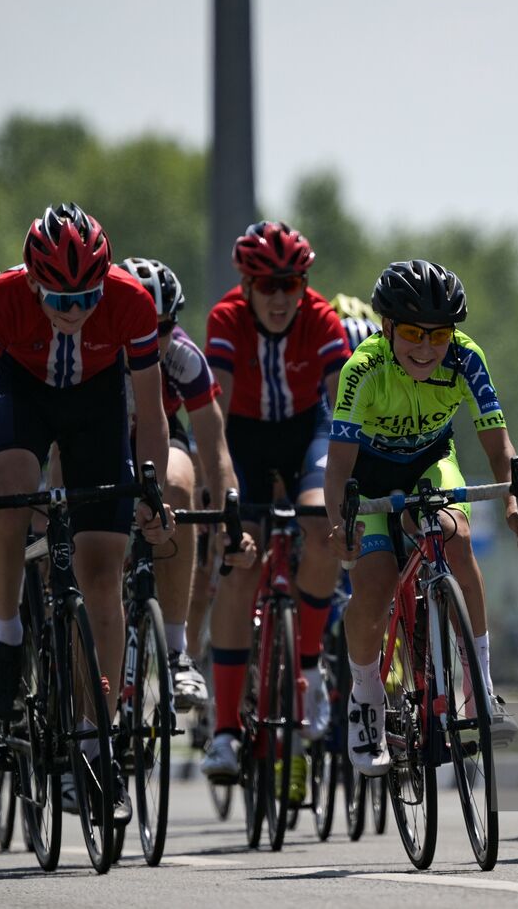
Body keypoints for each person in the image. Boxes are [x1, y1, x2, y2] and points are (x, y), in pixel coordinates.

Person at [0, 203, 175, 825]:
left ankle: (93, 741)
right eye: (58, 297)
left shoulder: (131, 303)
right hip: (22, 399)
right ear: (30, 280)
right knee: (11, 493)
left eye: (86, 296)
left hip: (96, 409)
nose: (74, 311)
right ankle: (6, 633)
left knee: (103, 571)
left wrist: (151, 490)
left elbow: (151, 415)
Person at [324, 259, 518, 775]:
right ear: (388, 328)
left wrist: (513, 497)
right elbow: (339, 467)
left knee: (457, 541)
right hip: (369, 479)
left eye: (439, 335)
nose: (426, 348)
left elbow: (497, 442)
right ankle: (367, 697)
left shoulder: (466, 359)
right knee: (372, 588)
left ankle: (482, 688)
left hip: (429, 464)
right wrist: (341, 524)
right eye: (414, 334)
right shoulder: (363, 370)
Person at [200, 222, 348, 790]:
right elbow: (217, 412)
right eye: (267, 286)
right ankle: (226, 730)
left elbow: (341, 400)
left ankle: (308, 665)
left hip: (306, 432)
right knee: (242, 562)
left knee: (322, 521)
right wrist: (226, 495)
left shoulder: (321, 317)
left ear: (304, 283)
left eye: (290, 283)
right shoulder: (226, 319)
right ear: (246, 285)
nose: (280, 297)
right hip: (245, 438)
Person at [116, 256, 254, 709]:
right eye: (138, 324)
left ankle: (177, 652)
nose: (151, 337)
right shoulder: (90, 348)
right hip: (96, 441)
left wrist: (230, 519)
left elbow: (214, 447)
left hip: (161, 439)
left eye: (162, 326)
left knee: (177, 486)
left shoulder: (181, 356)